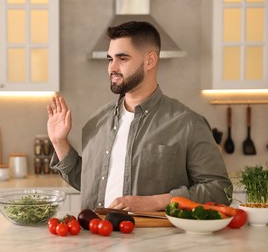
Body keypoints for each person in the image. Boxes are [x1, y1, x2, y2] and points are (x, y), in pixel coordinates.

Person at [46, 21, 232, 212]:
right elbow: (88, 184)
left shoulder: (188, 123)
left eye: (123, 59)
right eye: (110, 59)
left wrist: (155, 202)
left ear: (150, 60)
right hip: (96, 237)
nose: (112, 68)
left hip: (154, 240)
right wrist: (60, 142)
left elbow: (219, 190)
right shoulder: (97, 121)